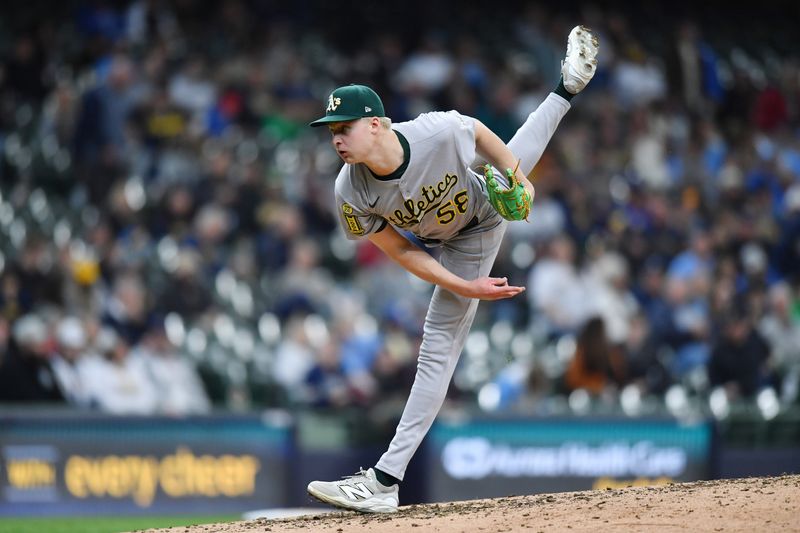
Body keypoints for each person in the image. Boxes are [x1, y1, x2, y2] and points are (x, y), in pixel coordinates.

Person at [306, 25, 599, 513]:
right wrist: (465, 285)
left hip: (481, 211)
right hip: (453, 244)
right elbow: (400, 251)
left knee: (507, 163)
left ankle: (383, 481)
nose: (336, 139)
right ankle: (565, 88)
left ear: (376, 124)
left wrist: (516, 179)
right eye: (332, 131)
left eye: (345, 128)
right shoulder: (349, 190)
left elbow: (480, 134)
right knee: (436, 346)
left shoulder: (434, 131)